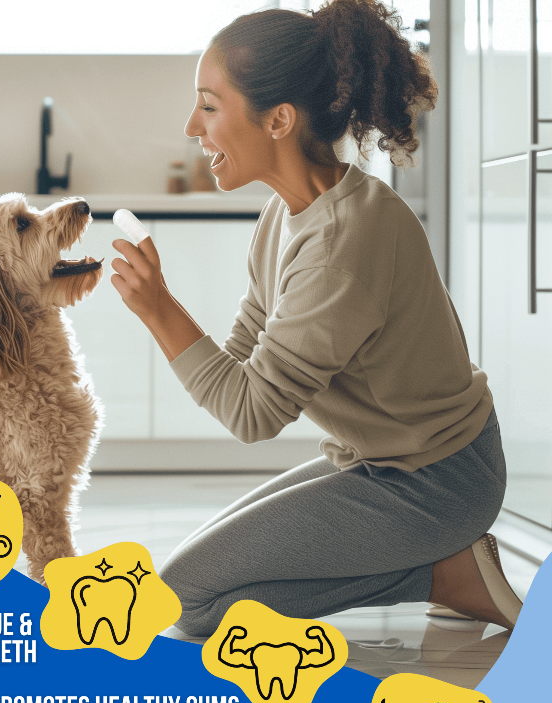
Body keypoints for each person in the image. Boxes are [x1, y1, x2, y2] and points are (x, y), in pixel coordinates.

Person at [109, 0, 522, 637]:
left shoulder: (340, 242)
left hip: (436, 480)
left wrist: (159, 310)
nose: (193, 125)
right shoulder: (291, 214)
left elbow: (253, 414)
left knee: (185, 603)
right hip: (379, 459)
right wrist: (163, 308)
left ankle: (442, 571)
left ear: (278, 119)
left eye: (210, 105)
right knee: (189, 590)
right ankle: (442, 567)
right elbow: (247, 359)